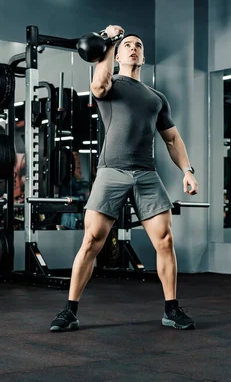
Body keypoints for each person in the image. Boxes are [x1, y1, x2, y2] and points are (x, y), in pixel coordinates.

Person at [50, 25, 199, 332]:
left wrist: (187, 170)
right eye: (127, 45)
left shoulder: (157, 98)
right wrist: (108, 41)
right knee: (92, 241)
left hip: (146, 174)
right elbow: (99, 86)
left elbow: (172, 140)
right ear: (117, 54)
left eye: (138, 45)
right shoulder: (110, 83)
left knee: (166, 240)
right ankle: (69, 310)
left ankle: (171, 309)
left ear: (143, 56)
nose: (133, 48)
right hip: (111, 171)